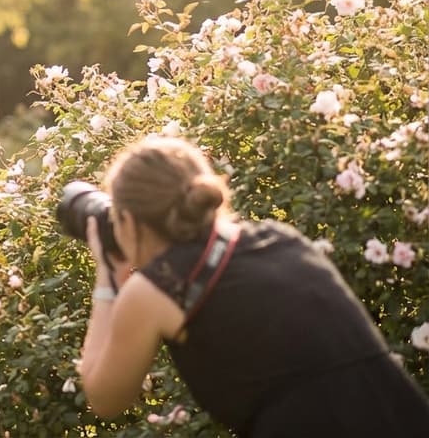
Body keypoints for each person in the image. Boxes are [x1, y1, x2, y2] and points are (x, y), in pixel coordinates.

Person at [78, 136, 429, 436]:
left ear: (126, 220)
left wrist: (109, 277)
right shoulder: (279, 239)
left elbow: (104, 397)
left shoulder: (155, 290)